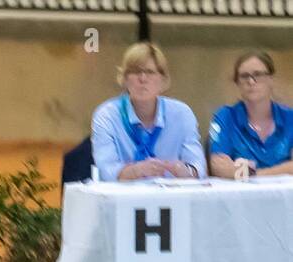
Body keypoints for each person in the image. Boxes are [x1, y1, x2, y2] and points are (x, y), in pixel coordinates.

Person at [91, 42, 205, 182]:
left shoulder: (182, 114)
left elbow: (199, 168)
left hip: (172, 198)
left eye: (150, 72)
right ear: (125, 79)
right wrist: (136, 171)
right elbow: (106, 172)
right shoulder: (107, 115)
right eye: (135, 72)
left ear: (163, 80)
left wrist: (185, 171)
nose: (143, 79)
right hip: (122, 199)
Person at [208, 51, 293, 179]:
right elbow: (218, 166)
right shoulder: (224, 116)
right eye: (244, 76)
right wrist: (281, 170)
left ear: (271, 79)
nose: (251, 81)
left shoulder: (290, 118)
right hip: (240, 197)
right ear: (237, 83)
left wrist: (254, 174)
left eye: (258, 74)